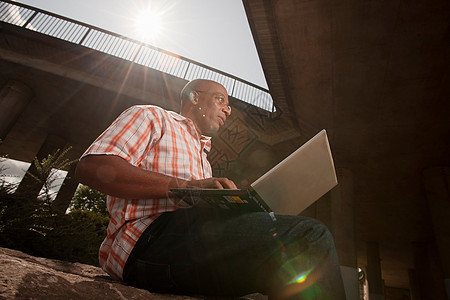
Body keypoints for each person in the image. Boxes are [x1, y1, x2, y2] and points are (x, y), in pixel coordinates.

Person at [75, 79, 346, 299]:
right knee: (308, 236)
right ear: (194, 97)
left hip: (188, 244)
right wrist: (187, 186)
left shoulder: (204, 161)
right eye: (221, 100)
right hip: (147, 242)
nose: (228, 110)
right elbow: (92, 167)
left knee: (287, 263)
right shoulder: (152, 117)